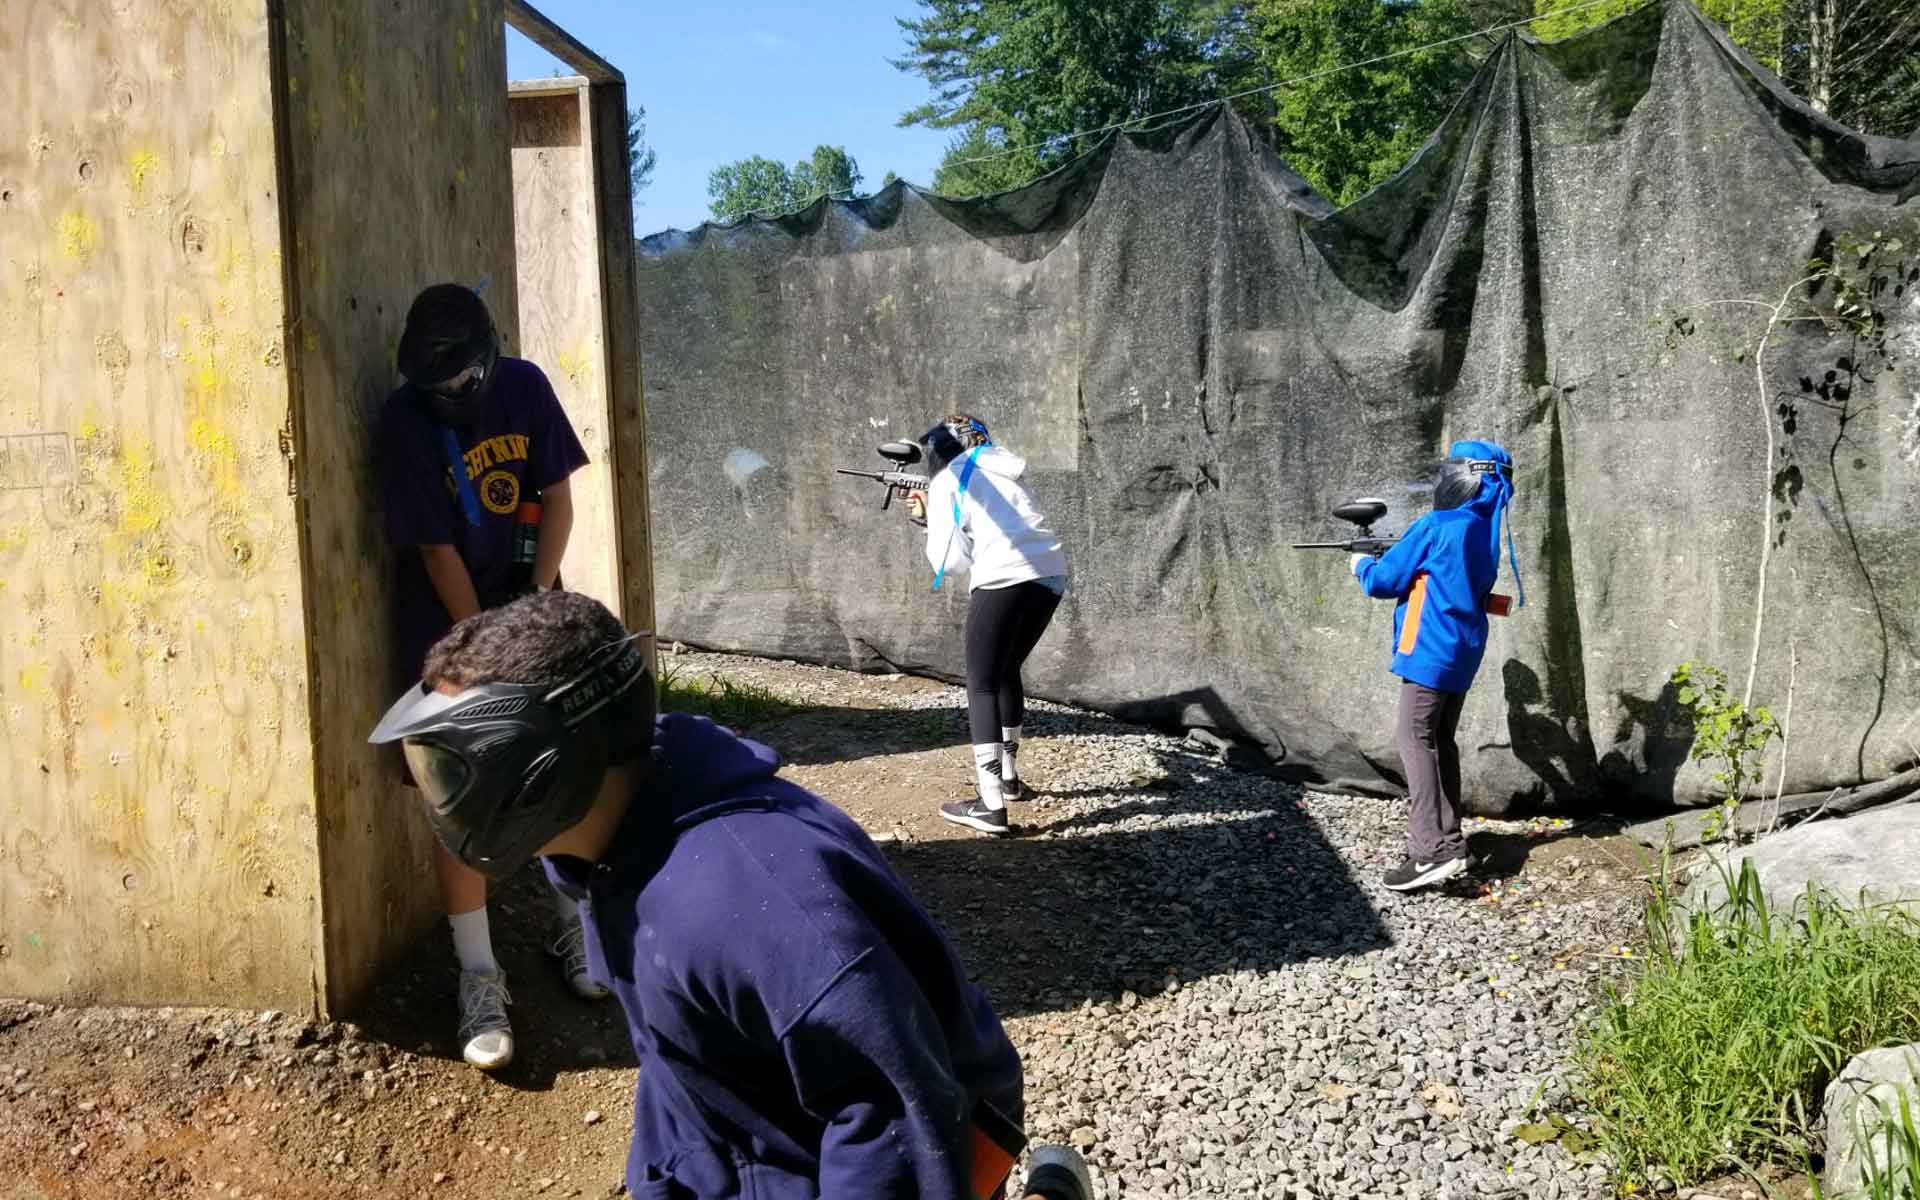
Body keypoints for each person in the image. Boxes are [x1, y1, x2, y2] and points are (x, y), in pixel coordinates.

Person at [367, 591, 1094, 1200]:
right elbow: (689, 1050)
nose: (437, 798)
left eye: (451, 769)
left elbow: (898, 1122)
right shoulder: (614, 843)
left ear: (542, 763)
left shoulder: (746, 901)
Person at [378, 283, 597, 1070]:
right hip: (450, 630)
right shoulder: (403, 422)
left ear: (489, 356)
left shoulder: (525, 388)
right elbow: (436, 550)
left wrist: (532, 605)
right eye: (437, 386)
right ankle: (478, 977)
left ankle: (573, 924)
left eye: (463, 381)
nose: (453, 395)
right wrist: (481, 648)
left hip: (528, 608)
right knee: (461, 795)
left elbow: (557, 500)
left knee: (554, 774)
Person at [1349, 439, 1524, 892]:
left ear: (1466, 477)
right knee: (1439, 740)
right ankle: (1448, 839)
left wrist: (1361, 565)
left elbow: (1384, 581)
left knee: (1414, 739)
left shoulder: (1436, 524)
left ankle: (1430, 851)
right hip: (1462, 651)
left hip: (1429, 651)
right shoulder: (1483, 530)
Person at [905, 415, 1068, 837]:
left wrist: (928, 517)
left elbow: (950, 562)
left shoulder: (948, 481)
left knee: (980, 684)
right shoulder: (1007, 470)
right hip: (1050, 573)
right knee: (1006, 669)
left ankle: (990, 806)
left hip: (1003, 576)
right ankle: (1008, 779)